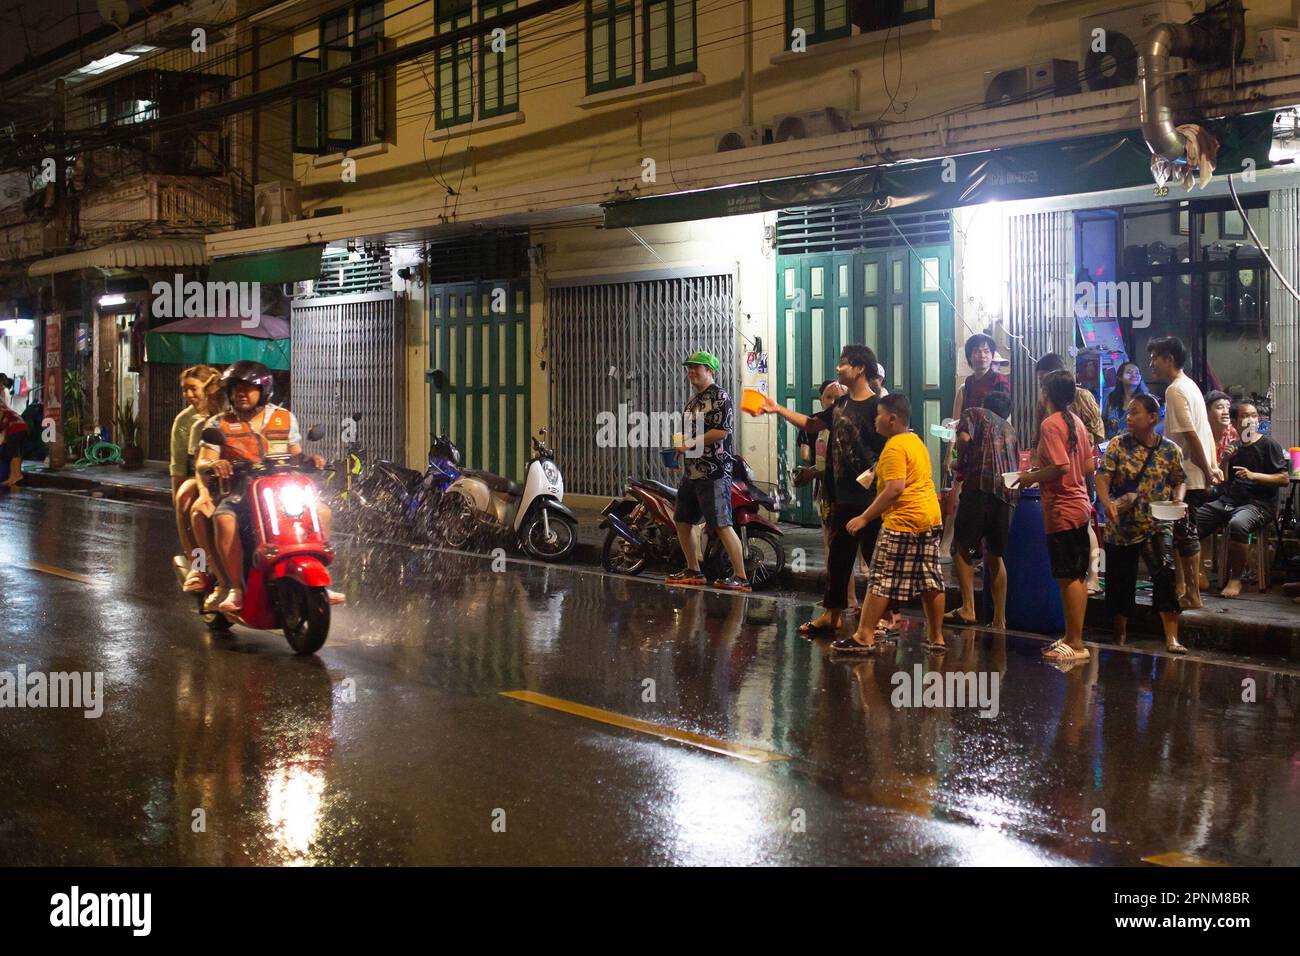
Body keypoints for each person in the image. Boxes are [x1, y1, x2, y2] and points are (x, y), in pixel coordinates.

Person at [760, 345, 887, 636]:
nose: (839, 368)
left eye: (843, 364)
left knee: (875, 560)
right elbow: (811, 423)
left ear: (859, 369)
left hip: (871, 499)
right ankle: (833, 615)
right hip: (840, 495)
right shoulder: (840, 405)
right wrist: (778, 408)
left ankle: (884, 618)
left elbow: (894, 445)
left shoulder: (879, 406)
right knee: (839, 560)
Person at [193, 361, 336, 613]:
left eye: (249, 387)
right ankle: (235, 588)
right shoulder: (218, 424)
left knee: (321, 511)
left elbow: (295, 455)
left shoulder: (283, 418)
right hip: (240, 490)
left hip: (281, 488)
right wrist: (216, 463)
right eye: (236, 388)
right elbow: (203, 459)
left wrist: (309, 460)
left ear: (264, 390)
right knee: (225, 520)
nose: (242, 393)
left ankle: (319, 575)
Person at [831, 393, 946, 654]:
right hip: (929, 517)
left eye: (879, 415)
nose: (875, 420)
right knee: (931, 580)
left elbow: (895, 488)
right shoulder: (915, 442)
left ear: (892, 419)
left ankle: (863, 636)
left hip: (903, 521)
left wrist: (865, 517)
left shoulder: (894, 447)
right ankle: (936, 637)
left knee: (880, 579)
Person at [1096, 393, 1188, 652]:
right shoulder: (1117, 445)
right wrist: (1108, 504)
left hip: (1157, 522)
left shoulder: (1170, 449)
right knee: (1119, 581)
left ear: (1152, 418)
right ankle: (1119, 634)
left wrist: (1178, 500)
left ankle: (1171, 637)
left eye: (1135, 412)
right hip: (1122, 525)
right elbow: (1102, 478)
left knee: (1165, 572)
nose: (1129, 417)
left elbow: (1179, 479)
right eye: (1128, 412)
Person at [1016, 370, 1096, 663]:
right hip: (1079, 504)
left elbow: (1061, 466)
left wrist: (1030, 477)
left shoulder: (1051, 424)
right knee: (1075, 574)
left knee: (1068, 576)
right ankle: (1072, 636)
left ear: (1046, 394)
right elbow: (1087, 465)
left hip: (1063, 508)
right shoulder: (1076, 422)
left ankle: (1076, 642)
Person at [665, 350, 751, 592]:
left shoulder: (719, 397)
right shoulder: (693, 401)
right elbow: (687, 433)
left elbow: (721, 432)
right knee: (682, 520)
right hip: (691, 472)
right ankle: (693, 569)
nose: (691, 371)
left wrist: (690, 443)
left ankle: (740, 576)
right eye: (690, 367)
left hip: (714, 472)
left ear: (710, 371)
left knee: (721, 524)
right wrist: (678, 450)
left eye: (697, 367)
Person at [1147, 336, 1220, 609]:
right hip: (1192, 474)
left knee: (1186, 535)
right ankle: (1184, 589)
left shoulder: (1175, 390)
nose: (1152, 363)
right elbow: (1202, 433)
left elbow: (1191, 435)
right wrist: (1210, 466)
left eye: (1156, 357)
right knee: (1183, 534)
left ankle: (1193, 594)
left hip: (1187, 478)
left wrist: (1206, 469)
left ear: (1169, 359)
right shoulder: (1189, 386)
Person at [1195, 400, 1289, 598]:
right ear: (1236, 422)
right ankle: (1196, 573)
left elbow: (1283, 478)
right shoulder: (1235, 446)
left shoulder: (1268, 445)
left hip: (1259, 504)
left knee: (1238, 524)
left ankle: (1235, 579)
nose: (1251, 420)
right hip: (1230, 501)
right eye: (1245, 416)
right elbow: (1223, 481)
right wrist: (1225, 460)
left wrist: (1254, 476)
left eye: (1254, 416)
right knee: (1192, 522)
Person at [947, 390, 1019, 629]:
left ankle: (968, 608)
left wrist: (961, 462)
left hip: (980, 486)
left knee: (959, 546)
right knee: (995, 554)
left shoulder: (974, 412)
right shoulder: (1011, 431)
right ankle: (1000, 619)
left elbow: (964, 439)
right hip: (1008, 495)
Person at [1034, 352, 1104, 594]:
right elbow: (1038, 440)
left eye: (1045, 381)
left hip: (1072, 486)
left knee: (1086, 531)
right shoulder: (1047, 412)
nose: (1042, 387)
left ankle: (1095, 575)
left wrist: (1030, 477)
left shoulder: (1081, 400)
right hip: (1071, 482)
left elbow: (1098, 433)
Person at [793, 379, 853, 609]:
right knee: (831, 543)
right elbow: (808, 455)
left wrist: (812, 473)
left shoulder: (846, 426)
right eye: (829, 398)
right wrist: (809, 469)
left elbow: (843, 467)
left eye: (838, 398)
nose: (833, 402)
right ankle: (840, 598)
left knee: (841, 546)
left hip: (846, 494)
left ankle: (848, 599)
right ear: (821, 400)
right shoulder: (818, 425)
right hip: (827, 490)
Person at [171, 365, 222, 592]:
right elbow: (180, 469)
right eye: (185, 390)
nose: (189, 395)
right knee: (185, 496)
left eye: (194, 389)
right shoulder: (187, 423)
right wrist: (178, 506)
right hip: (201, 478)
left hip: (239, 477)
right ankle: (198, 565)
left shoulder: (238, 415)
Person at [953, 333, 1008, 421]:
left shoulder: (999, 381)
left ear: (992, 355)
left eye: (986, 351)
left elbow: (1004, 416)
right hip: (968, 432)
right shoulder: (968, 383)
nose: (982, 355)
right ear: (969, 356)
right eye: (977, 351)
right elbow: (959, 418)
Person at [1103, 361, 1156, 440]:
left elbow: (1161, 421)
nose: (1134, 375)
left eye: (1137, 373)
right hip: (1112, 446)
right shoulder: (1111, 398)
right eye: (1129, 372)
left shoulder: (1147, 400)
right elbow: (1103, 422)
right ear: (1120, 377)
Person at [0, 373, 27, 488]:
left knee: (13, 451)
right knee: (12, 451)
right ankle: (13, 476)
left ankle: (17, 475)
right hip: (19, 426)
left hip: (17, 427)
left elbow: (2, 418)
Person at [1206, 390, 1238, 466]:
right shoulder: (1201, 433)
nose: (1226, 412)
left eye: (1228, 408)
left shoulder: (1233, 433)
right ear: (1206, 410)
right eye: (1220, 407)